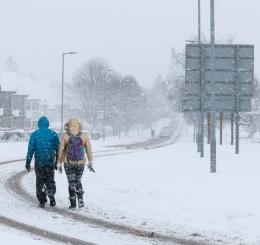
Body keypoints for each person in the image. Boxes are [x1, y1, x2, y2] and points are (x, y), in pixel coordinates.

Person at [57, 118, 93, 209]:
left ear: (68, 125)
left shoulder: (65, 136)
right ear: (78, 125)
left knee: (71, 182)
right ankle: (80, 198)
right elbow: (88, 149)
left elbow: (61, 150)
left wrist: (59, 163)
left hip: (68, 163)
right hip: (80, 163)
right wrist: (90, 161)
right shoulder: (83, 135)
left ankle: (73, 204)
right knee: (78, 181)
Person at [25, 116, 60, 208]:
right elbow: (58, 149)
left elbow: (30, 150)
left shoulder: (35, 134)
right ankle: (51, 194)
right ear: (48, 124)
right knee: (50, 180)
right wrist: (57, 161)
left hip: (39, 162)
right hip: (50, 162)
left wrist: (28, 162)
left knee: (40, 181)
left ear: (39, 124)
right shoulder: (53, 134)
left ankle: (42, 200)